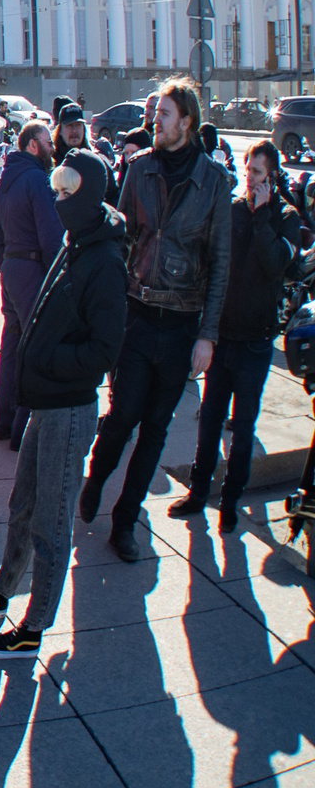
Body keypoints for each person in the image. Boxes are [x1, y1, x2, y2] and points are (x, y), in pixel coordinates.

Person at [0, 149, 125, 659]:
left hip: (68, 407)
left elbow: (105, 349)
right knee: (23, 504)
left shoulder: (103, 260)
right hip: (45, 403)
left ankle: (33, 627)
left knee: (50, 521)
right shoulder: (75, 241)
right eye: (54, 190)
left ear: (88, 194)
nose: (56, 200)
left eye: (65, 192)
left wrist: (50, 361)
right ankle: (3, 588)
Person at [80, 78, 231, 563]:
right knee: (121, 416)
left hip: (183, 323)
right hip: (137, 315)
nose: (154, 122)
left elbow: (221, 265)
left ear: (186, 121)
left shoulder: (215, 182)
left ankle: (125, 520)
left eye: (163, 114)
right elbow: (118, 239)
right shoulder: (139, 169)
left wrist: (208, 336)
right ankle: (96, 481)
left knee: (156, 429)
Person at [172, 139, 302, 531]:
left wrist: (263, 216)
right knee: (210, 417)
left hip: (256, 341)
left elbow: (276, 265)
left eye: (258, 174)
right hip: (223, 334)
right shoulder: (231, 210)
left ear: (273, 177)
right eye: (247, 172)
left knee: (243, 424)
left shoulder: (286, 217)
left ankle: (231, 498)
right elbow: (211, 263)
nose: (250, 180)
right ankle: (198, 492)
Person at [0, 122, 64, 449]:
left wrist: (5, 265)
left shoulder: (8, 178)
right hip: (32, 269)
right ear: (34, 144)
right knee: (34, 348)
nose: (53, 148)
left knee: (11, 348)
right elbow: (50, 236)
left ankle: (3, 423)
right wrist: (56, 277)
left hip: (12, 269)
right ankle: (21, 432)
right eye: (48, 142)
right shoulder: (36, 179)